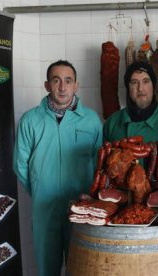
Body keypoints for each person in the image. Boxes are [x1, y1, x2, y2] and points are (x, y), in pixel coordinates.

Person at [13, 60, 102, 276]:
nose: (62, 87)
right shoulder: (30, 120)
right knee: (47, 269)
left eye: (68, 81)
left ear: (76, 85)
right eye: (56, 80)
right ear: (47, 85)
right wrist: (40, 189)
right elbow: (20, 164)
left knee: (81, 267)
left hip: (81, 209)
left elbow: (99, 164)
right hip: (45, 210)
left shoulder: (91, 121)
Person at [103, 61, 158, 188]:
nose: (140, 88)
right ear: (128, 87)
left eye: (146, 81)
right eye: (134, 82)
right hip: (120, 204)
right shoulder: (112, 122)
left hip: (157, 205)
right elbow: (102, 167)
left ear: (153, 85)